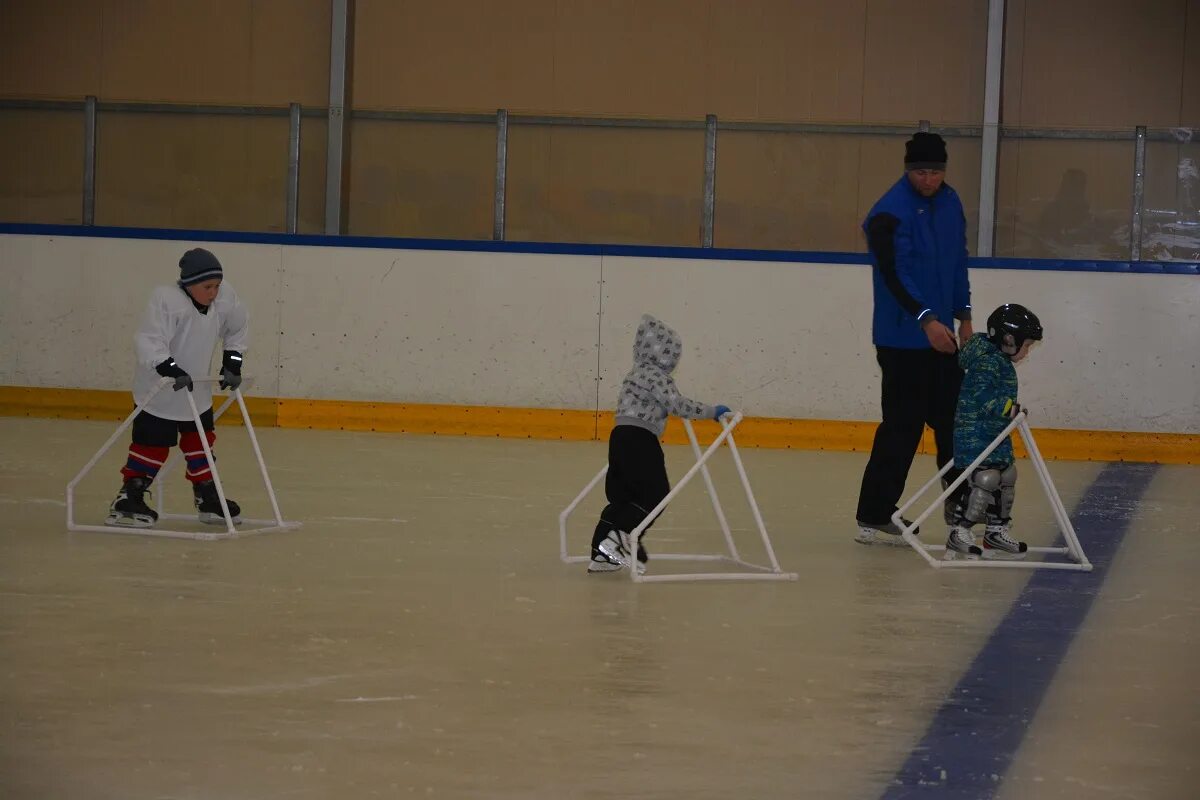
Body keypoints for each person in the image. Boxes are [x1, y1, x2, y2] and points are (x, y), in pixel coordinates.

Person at [855, 131, 973, 545]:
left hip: (942, 338)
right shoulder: (887, 214)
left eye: (936, 172)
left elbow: (957, 262)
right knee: (902, 429)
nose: (929, 180)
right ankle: (874, 514)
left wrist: (965, 317)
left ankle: (961, 512)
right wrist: (926, 320)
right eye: (921, 172)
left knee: (956, 426)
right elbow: (894, 275)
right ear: (908, 171)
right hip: (902, 340)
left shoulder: (951, 202)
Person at [106, 248, 249, 528]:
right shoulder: (167, 300)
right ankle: (129, 496)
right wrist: (169, 368)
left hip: (197, 390)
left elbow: (237, 328)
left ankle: (207, 495)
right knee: (153, 444)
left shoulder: (224, 298)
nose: (214, 293)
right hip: (160, 389)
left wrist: (232, 363)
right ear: (188, 284)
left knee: (201, 441)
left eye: (217, 286)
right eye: (207, 287)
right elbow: (149, 339)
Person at [589, 314, 731, 574]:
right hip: (640, 440)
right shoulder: (657, 377)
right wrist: (711, 412)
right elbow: (677, 404)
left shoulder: (634, 374)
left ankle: (601, 554)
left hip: (619, 437)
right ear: (667, 355)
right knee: (654, 494)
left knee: (622, 498)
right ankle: (619, 540)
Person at [943, 304, 1043, 559]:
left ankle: (995, 532)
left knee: (1007, 475)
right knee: (986, 479)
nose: (1027, 351)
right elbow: (983, 395)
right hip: (974, 434)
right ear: (1009, 340)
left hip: (994, 434)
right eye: (1027, 345)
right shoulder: (987, 362)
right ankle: (960, 531)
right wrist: (1010, 409)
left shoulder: (999, 360)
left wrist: (1009, 413)